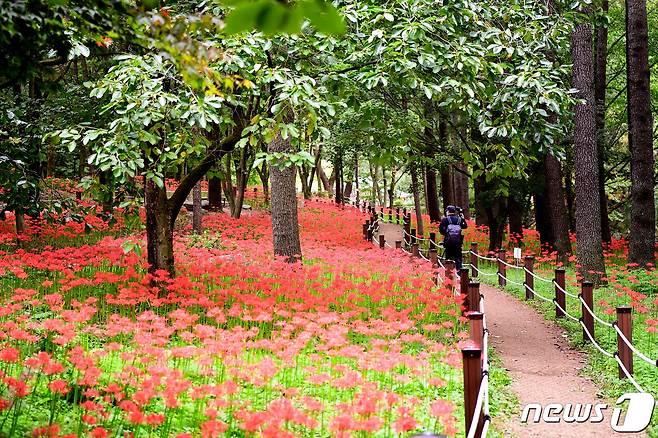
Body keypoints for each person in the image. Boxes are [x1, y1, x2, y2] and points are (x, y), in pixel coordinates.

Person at [439, 205, 468, 269]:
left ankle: (449, 274)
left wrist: (447, 234)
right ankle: (459, 273)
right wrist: (462, 218)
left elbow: (441, 230)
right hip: (458, 242)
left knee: (448, 258)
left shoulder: (445, 220)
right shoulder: (459, 219)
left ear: (448, 211)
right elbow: (465, 226)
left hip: (448, 242)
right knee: (458, 258)